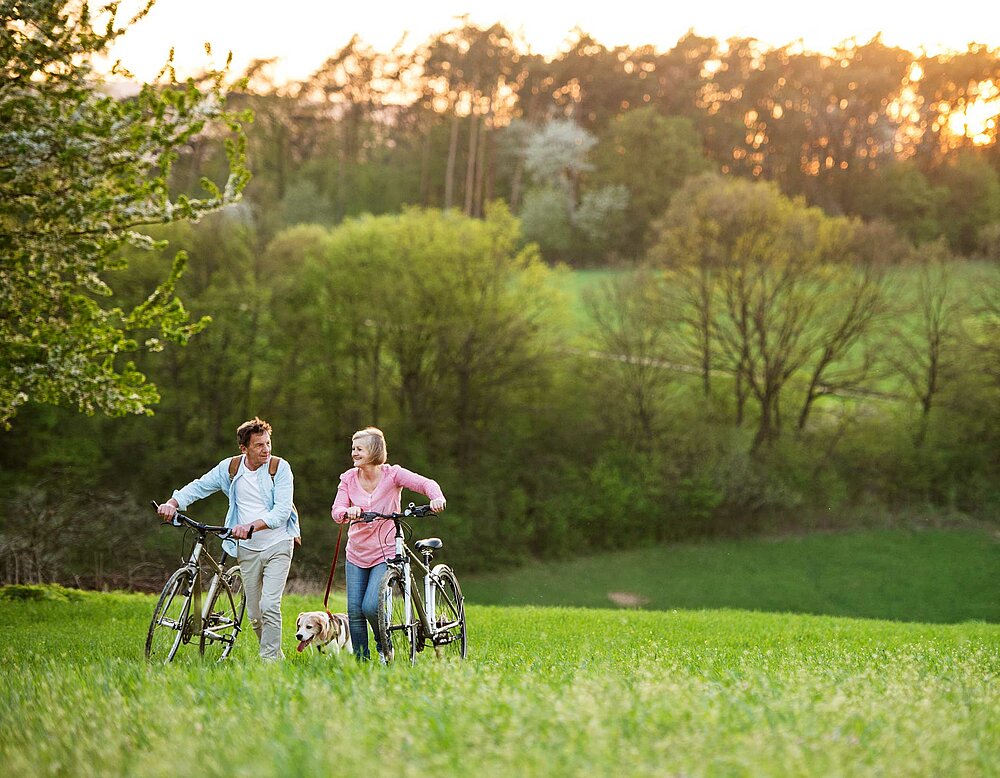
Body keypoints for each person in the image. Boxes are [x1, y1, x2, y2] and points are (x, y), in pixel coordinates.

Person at [157, 417, 299, 661]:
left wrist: (251, 526)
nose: (266, 449)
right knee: (254, 614)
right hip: (247, 548)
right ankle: (275, 654)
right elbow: (200, 486)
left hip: (278, 543)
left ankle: (270, 662)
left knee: (269, 606)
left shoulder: (280, 468)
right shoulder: (231, 468)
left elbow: (281, 512)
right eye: (259, 445)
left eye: (268, 443)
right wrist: (173, 503)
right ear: (244, 449)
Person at [331, 426, 446, 662]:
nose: (353, 453)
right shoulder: (348, 479)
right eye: (353, 448)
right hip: (356, 553)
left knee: (371, 606)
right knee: (354, 612)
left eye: (359, 448)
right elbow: (337, 511)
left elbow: (426, 483)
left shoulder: (393, 474)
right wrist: (348, 511)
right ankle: (362, 662)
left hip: (384, 551)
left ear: (374, 451)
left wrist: (436, 497)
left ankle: (384, 647)